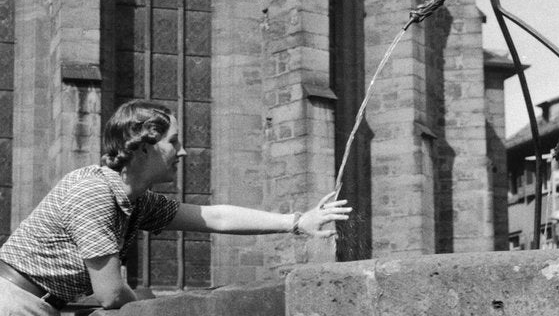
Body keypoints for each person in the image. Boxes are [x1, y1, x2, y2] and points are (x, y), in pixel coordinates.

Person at [0, 100, 352, 315]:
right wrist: (143, 298)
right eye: (174, 142)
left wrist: (297, 221)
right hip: (14, 303)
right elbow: (109, 294)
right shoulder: (93, 192)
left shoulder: (136, 200)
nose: (183, 153)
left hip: (35, 303)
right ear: (142, 147)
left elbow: (213, 216)